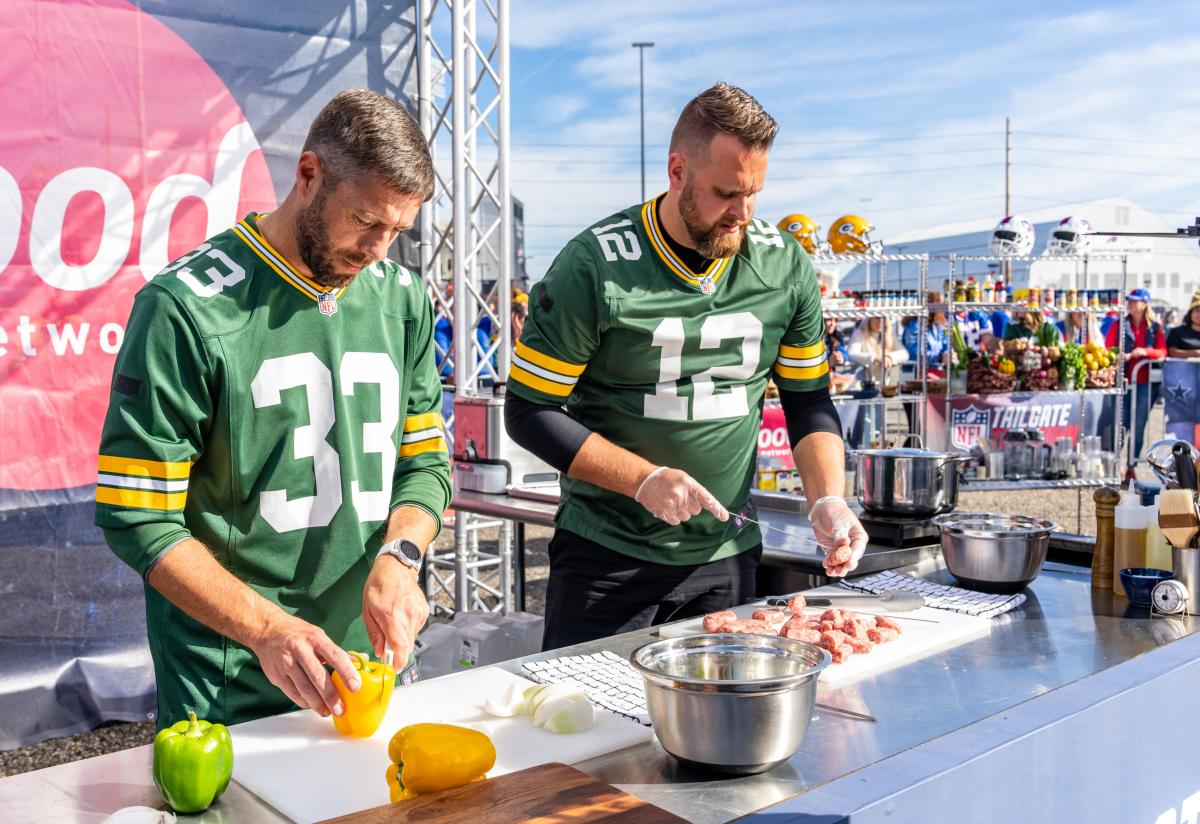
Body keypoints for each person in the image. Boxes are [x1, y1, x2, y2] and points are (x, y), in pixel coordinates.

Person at [95, 90, 450, 728]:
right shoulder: (185, 308)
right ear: (309, 175)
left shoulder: (403, 299)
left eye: (397, 231)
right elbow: (136, 517)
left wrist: (402, 554)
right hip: (230, 684)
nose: (379, 250)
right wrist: (269, 630)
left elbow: (425, 463)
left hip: (365, 674)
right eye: (367, 220)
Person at [503, 82, 867, 649]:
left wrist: (828, 498)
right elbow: (528, 411)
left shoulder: (782, 264)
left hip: (726, 554)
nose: (742, 214)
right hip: (608, 553)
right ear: (677, 171)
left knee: (723, 731)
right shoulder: (594, 266)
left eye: (754, 194)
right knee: (595, 728)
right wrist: (642, 479)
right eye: (726, 193)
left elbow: (807, 400)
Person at [1106, 288, 1166, 477]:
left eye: (1134, 300)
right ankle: (1114, 466)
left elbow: (1163, 352)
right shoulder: (1118, 325)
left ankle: (1131, 467)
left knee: (1138, 427)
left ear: (1144, 303)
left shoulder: (1155, 327)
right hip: (1123, 382)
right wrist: (1118, 355)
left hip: (1145, 385)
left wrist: (1143, 353)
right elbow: (1108, 349)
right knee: (1120, 425)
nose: (1130, 303)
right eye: (1129, 300)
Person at [846, 317, 908, 447]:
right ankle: (861, 450)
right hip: (863, 388)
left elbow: (904, 353)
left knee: (878, 423)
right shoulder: (860, 333)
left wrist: (890, 357)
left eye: (884, 319)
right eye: (876, 318)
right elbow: (852, 353)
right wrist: (873, 357)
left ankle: (874, 451)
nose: (880, 322)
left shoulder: (888, 335)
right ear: (869, 319)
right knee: (864, 422)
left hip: (882, 388)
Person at [1166, 291, 1200, 358]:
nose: (1199, 314)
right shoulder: (1176, 332)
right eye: (1197, 310)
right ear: (1190, 312)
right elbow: (1172, 352)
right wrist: (1194, 353)